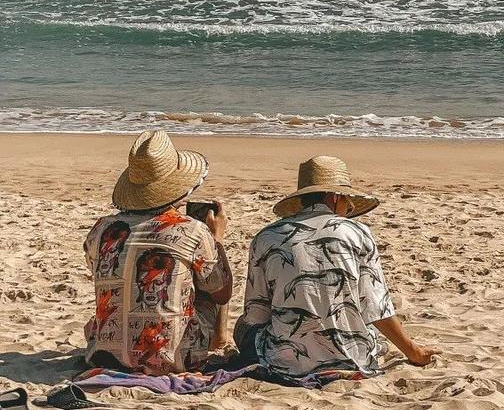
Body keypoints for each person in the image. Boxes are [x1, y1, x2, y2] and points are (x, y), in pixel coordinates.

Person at [234, 155, 435, 377]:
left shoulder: (266, 237)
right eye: (347, 201)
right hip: (350, 356)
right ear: (335, 197)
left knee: (243, 329)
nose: (349, 207)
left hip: (286, 362)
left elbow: (256, 315)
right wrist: (413, 351)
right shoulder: (358, 233)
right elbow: (377, 308)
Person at [84, 130, 232, 375]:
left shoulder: (101, 229)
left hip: (104, 355)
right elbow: (222, 293)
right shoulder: (191, 230)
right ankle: (219, 339)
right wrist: (216, 239)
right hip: (172, 359)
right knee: (208, 280)